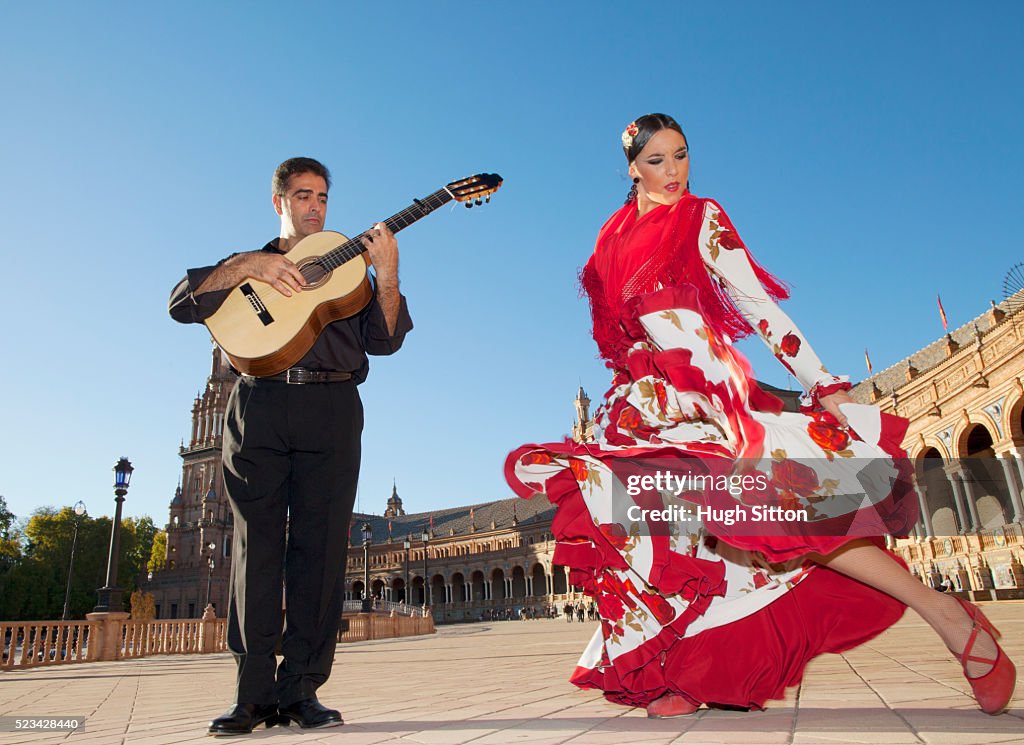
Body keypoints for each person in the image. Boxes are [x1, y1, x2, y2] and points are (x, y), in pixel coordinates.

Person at [505, 115, 1015, 718]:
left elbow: (756, 303)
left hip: (711, 396)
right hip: (648, 401)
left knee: (788, 520)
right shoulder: (609, 239)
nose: (674, 173)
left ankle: (950, 617)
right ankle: (694, 671)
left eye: (682, 156)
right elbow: (619, 334)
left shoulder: (701, 217)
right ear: (631, 168)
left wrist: (824, 385)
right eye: (657, 161)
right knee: (655, 525)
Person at [169, 157, 413, 735]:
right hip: (259, 404)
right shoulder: (250, 266)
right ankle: (251, 696)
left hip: (331, 409)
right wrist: (251, 263)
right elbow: (181, 302)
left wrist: (389, 276)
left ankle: (301, 690)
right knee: (256, 552)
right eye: (303, 195)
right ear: (278, 201)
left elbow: (385, 342)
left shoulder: (353, 272)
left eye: (323, 198)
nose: (315, 207)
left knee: (322, 551)